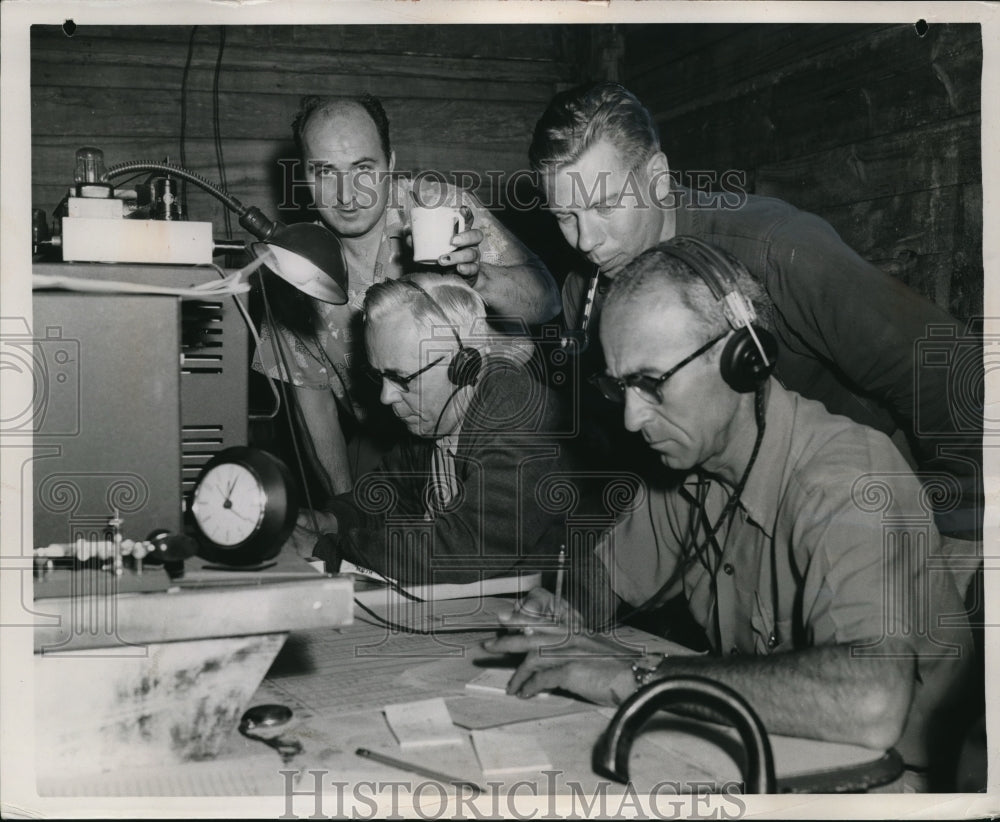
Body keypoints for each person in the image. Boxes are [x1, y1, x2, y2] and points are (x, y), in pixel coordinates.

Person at [484, 241, 976, 789]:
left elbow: (871, 702)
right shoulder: (692, 466)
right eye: (619, 386)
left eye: (650, 383)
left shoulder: (850, 478)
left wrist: (636, 673)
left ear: (742, 360)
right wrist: (565, 619)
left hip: (901, 783)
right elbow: (603, 579)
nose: (629, 418)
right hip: (778, 757)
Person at [529, 82, 982, 558]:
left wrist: (947, 535)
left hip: (866, 499)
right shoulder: (588, 291)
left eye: (604, 206)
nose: (585, 240)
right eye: (566, 215)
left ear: (658, 176)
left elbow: (952, 372)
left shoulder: (779, 251)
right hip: (729, 523)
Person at [254, 94, 561, 500]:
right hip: (392, 446)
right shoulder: (298, 262)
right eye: (325, 172)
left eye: (364, 169)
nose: (347, 195)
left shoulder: (439, 209)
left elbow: (548, 303)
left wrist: (480, 277)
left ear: (391, 165)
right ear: (304, 177)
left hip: (492, 423)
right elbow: (312, 404)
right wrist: (345, 515)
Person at [293, 276, 574, 585]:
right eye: (380, 377)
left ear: (464, 363)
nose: (386, 397)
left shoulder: (522, 414)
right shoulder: (432, 421)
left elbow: (467, 546)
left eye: (400, 378)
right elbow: (388, 495)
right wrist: (331, 520)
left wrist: (327, 551)